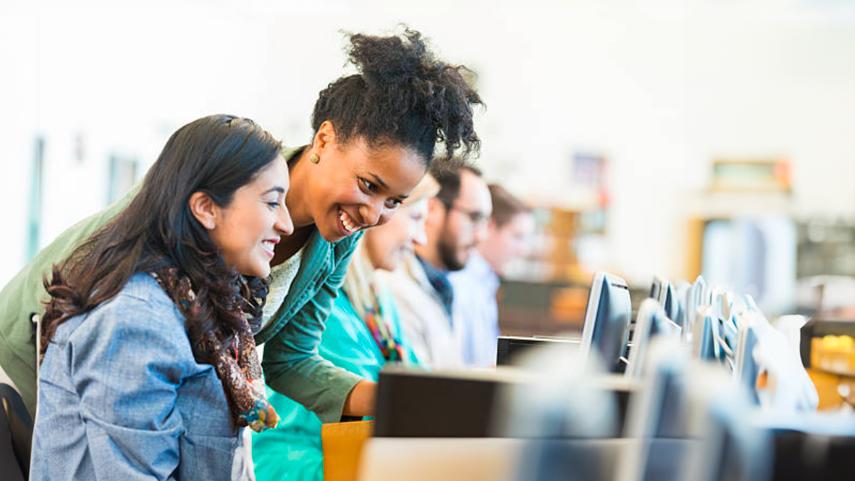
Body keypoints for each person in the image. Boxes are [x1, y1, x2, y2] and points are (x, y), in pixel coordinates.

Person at [0, 28, 483, 421]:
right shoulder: (229, 173)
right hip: (38, 366)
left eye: (395, 202)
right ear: (324, 139)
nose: (375, 215)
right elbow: (111, 290)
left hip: (125, 399)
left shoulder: (334, 245)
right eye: (368, 185)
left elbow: (289, 360)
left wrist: (393, 401)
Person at [31, 115, 291, 480]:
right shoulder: (136, 320)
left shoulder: (197, 306)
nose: (288, 224)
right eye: (272, 203)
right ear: (205, 207)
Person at [251, 174, 438, 481]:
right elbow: (277, 449)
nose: (421, 239)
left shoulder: (378, 305)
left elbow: (418, 390)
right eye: (415, 218)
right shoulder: (326, 315)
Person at [383, 163, 492, 368]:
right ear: (432, 209)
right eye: (474, 218)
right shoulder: (393, 285)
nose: (481, 236)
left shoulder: (444, 285)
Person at [448, 184, 534, 367]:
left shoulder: (484, 282)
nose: (522, 250)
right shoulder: (461, 283)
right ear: (490, 226)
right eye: (517, 236)